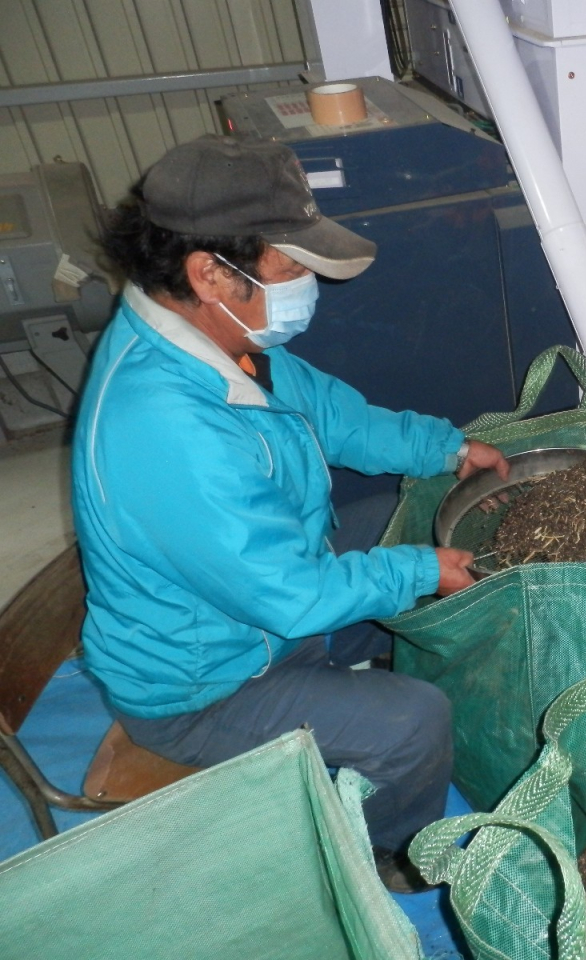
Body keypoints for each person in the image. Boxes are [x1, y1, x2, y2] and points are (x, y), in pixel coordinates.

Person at [71, 134, 508, 893]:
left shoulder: (219, 339)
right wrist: (420, 570)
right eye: (291, 264)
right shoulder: (162, 426)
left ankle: (368, 675)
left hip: (255, 617)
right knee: (413, 721)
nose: (305, 281)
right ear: (210, 272)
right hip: (209, 684)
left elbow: (333, 414)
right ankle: (389, 860)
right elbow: (292, 595)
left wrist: (445, 451)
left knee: (413, 513)